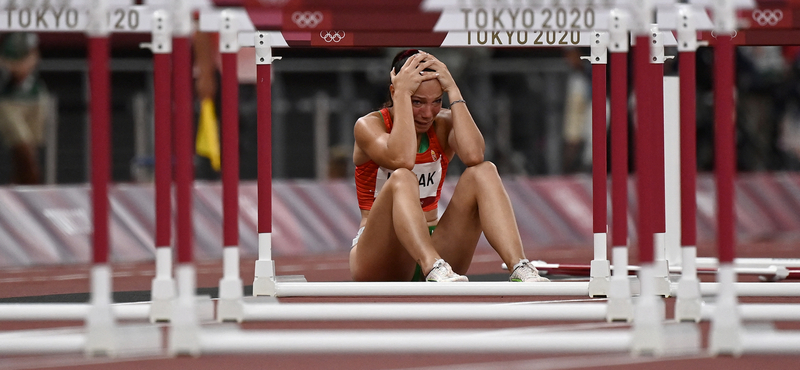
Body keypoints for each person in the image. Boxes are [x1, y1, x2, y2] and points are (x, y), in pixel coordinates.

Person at [349, 49, 549, 283]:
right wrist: (402, 94)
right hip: (382, 252)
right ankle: (431, 265)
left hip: (439, 245)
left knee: (484, 171)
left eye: (436, 101)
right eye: (417, 102)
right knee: (403, 177)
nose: (427, 113)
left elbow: (474, 155)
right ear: (395, 92)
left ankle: (519, 266)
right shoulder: (369, 126)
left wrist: (453, 89)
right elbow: (402, 159)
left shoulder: (443, 123)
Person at [0, 32, 48, 185]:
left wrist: (14, 66)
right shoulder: (5, 39)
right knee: (23, 149)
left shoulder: (27, 34)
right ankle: (34, 189)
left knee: (27, 155)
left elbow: (30, 62)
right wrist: (16, 67)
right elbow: (18, 70)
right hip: (9, 101)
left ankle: (17, 190)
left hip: (34, 98)